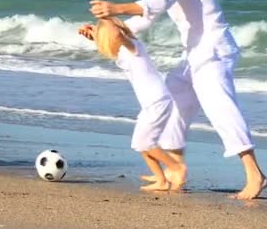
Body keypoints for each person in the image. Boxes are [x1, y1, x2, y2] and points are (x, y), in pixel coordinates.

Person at [89, 0, 267, 200]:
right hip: (193, 53)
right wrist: (105, 33)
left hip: (213, 51)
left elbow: (157, 3)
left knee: (220, 109)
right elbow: (145, 19)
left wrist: (117, 8)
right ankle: (176, 168)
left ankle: (255, 175)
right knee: (172, 101)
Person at [78, 18, 187, 191]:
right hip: (151, 103)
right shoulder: (123, 51)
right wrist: (95, 34)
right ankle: (161, 180)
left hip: (157, 101)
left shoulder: (133, 47)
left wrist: (106, 19)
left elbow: (118, 37)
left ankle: (176, 167)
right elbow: (113, 42)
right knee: (140, 143)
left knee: (146, 143)